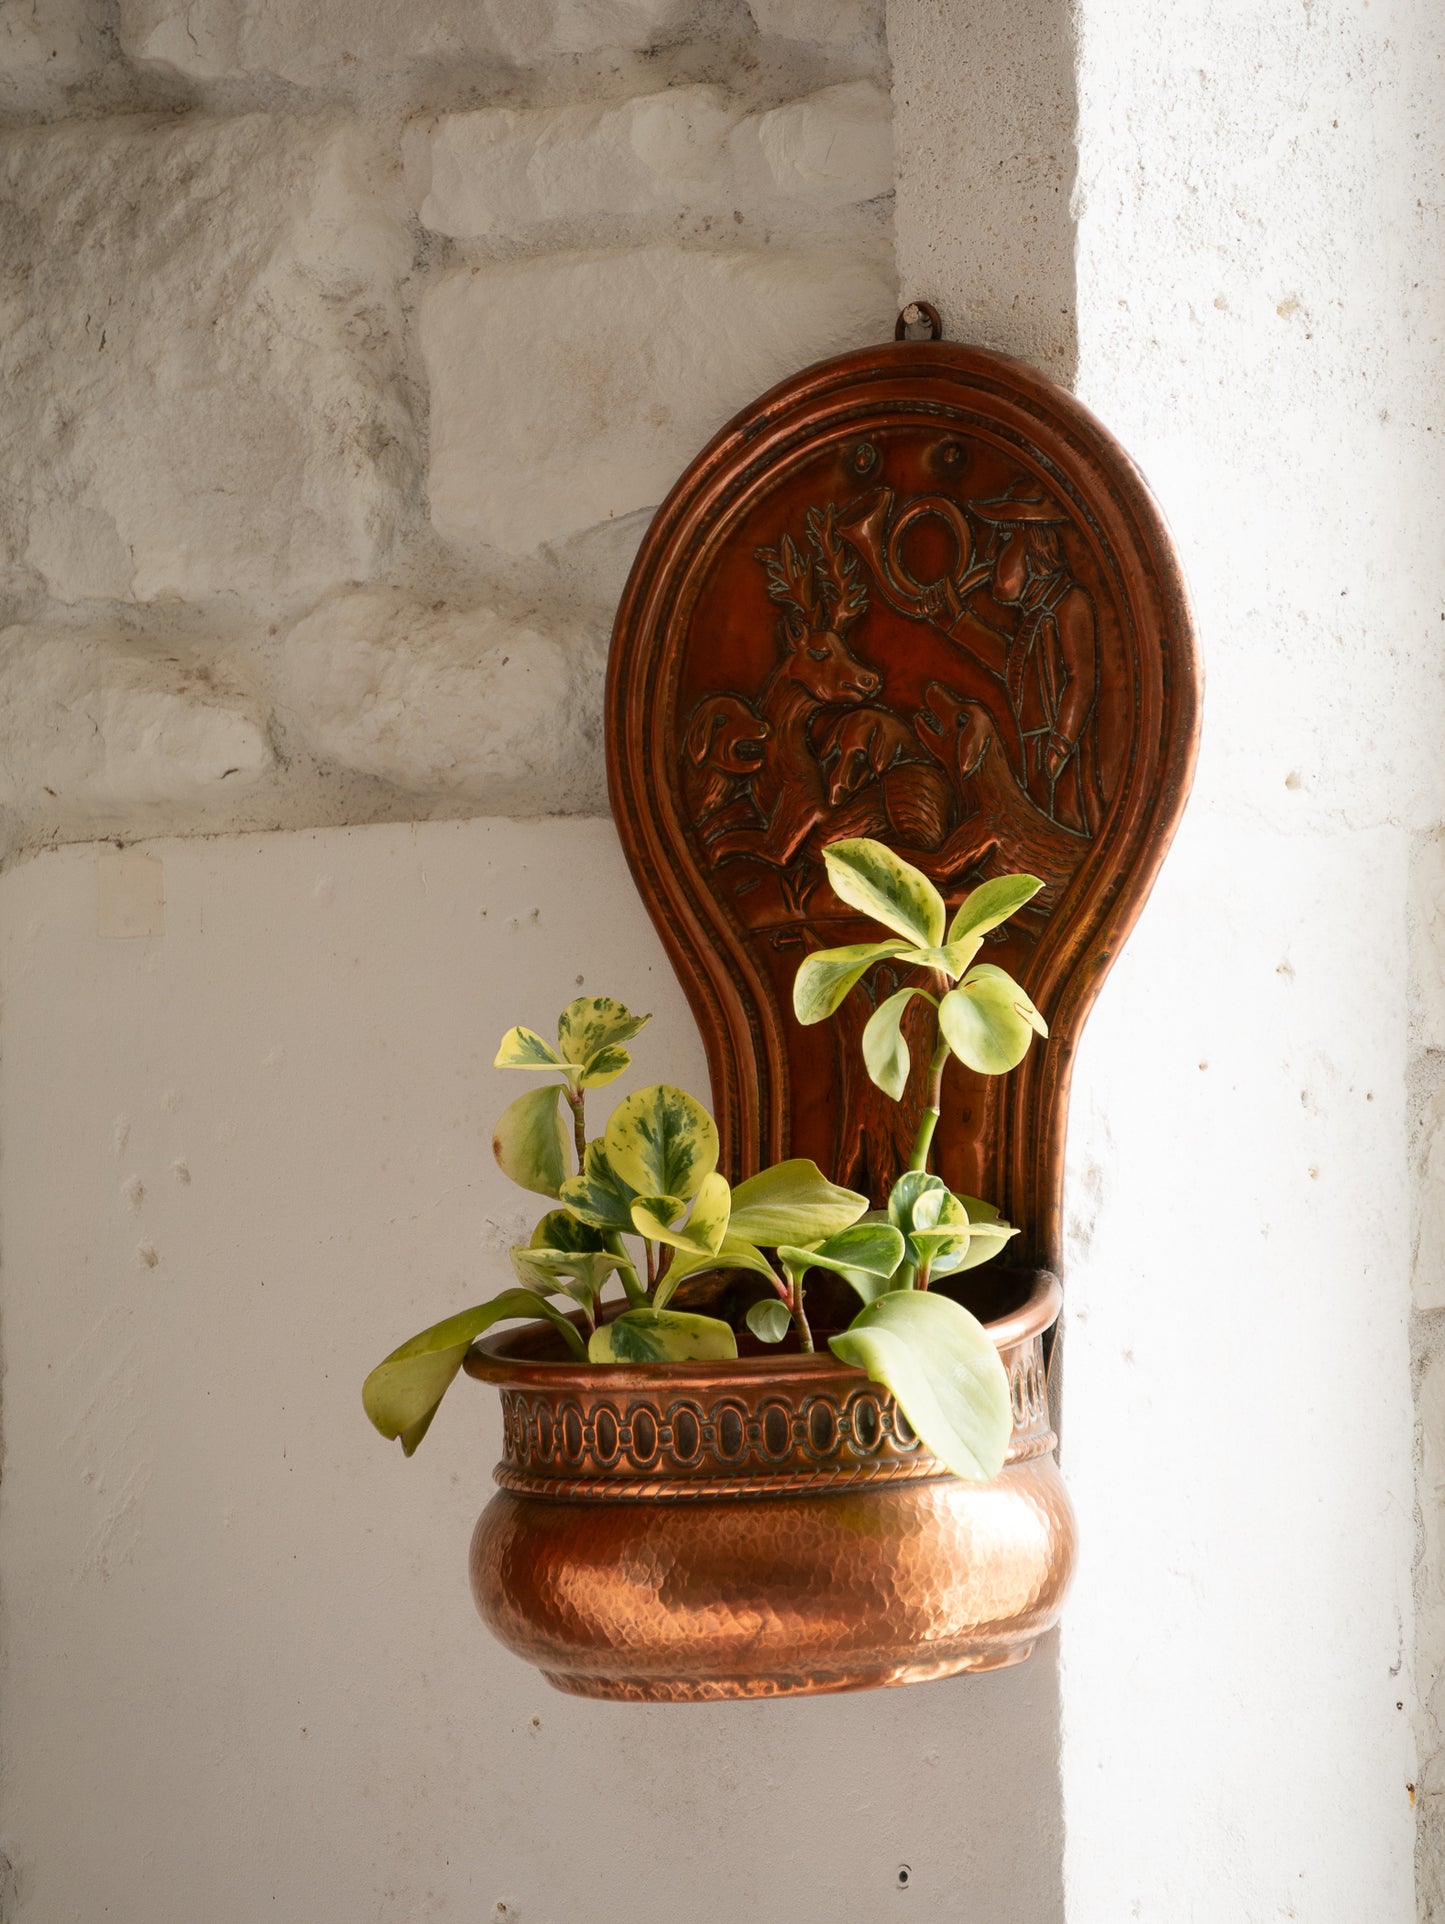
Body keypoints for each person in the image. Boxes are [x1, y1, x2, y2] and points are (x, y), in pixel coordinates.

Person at [949, 483, 1104, 837]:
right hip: (1032, 752)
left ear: (1033, 542)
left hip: (1058, 765)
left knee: (1058, 834)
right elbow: (1013, 662)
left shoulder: (1069, 602)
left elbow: (1082, 681)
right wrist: (955, 619)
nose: (991, 552)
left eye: (1004, 539)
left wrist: (1054, 754)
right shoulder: (1037, 612)